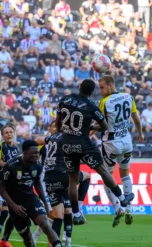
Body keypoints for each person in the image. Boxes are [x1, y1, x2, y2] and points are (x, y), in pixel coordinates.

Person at [56, 79, 134, 226]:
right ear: (92, 92)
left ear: (79, 87)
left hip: (66, 143)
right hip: (84, 144)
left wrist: (64, 131)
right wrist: (91, 126)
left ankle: (76, 213)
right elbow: (104, 127)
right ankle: (122, 198)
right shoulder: (91, 106)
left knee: (72, 180)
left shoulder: (65, 99)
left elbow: (58, 122)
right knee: (103, 171)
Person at [0, 140, 63, 247]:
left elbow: (37, 185)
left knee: (45, 224)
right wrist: (13, 206)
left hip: (31, 200)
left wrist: (46, 204)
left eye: (37, 152)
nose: (37, 155)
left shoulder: (37, 166)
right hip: (15, 204)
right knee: (28, 240)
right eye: (33, 153)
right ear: (24, 152)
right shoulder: (11, 165)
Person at [98, 75, 144, 227]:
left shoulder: (104, 102)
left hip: (111, 143)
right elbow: (136, 119)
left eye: (102, 87)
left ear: (110, 86)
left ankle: (118, 208)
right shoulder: (128, 97)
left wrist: (89, 132)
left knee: (107, 177)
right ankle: (129, 208)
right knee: (125, 174)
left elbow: (100, 124)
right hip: (126, 141)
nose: (100, 91)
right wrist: (140, 133)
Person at [32, 121, 73, 247]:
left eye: (59, 126)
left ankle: (66, 240)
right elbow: (34, 149)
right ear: (49, 129)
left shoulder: (64, 143)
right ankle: (36, 237)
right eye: (54, 126)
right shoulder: (43, 145)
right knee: (54, 214)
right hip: (47, 181)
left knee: (66, 211)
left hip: (62, 179)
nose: (57, 128)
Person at [0, 125, 22, 247]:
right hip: (2, 183)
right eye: (6, 132)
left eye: (11, 132)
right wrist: (11, 167)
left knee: (16, 213)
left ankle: (4, 239)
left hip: (15, 184)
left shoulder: (17, 147)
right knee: (4, 212)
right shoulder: (0, 146)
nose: (9, 134)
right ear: (2, 135)